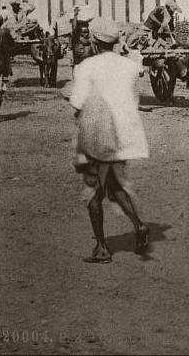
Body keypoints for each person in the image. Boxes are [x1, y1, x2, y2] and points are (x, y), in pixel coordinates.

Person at [67, 17, 151, 263]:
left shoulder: (85, 67)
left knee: (93, 191)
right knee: (113, 185)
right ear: (116, 40)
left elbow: (78, 101)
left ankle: (102, 248)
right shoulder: (130, 66)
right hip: (125, 136)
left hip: (98, 135)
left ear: (93, 40)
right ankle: (139, 225)